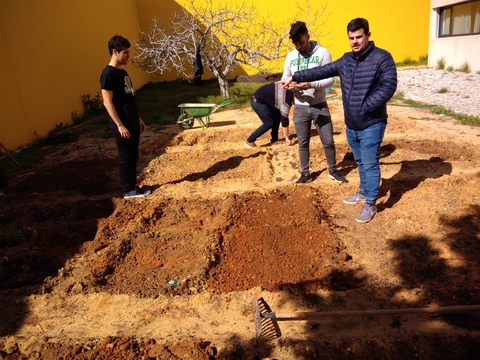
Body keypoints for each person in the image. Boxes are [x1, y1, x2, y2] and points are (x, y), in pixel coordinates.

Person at [280, 18, 397, 223]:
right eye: (351, 38)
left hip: (372, 122)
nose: (355, 41)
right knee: (360, 161)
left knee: (370, 164)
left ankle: (371, 203)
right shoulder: (346, 60)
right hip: (352, 123)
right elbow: (321, 71)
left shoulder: (382, 58)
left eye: (359, 37)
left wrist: (365, 107)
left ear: (368, 35)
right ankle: (363, 191)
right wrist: (295, 76)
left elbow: (388, 86)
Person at [282, 21, 345, 185]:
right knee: (303, 142)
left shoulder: (323, 53)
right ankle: (305, 173)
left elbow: (330, 80)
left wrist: (311, 84)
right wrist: (288, 85)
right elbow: (284, 78)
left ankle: (333, 170)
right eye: (295, 44)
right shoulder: (291, 57)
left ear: (308, 37)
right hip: (300, 107)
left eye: (301, 42)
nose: (299, 47)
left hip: (319, 105)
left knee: (328, 140)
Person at [100, 35, 151, 199]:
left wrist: (138, 118)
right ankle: (129, 190)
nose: (128, 56)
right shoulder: (108, 74)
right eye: (125, 52)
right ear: (115, 52)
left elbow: (129, 98)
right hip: (122, 124)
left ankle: (134, 187)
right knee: (125, 157)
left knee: (132, 155)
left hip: (132, 121)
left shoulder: (123, 72)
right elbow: (108, 102)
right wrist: (120, 125)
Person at [244, 82, 293, 148]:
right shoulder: (286, 101)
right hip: (258, 101)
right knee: (268, 123)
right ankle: (250, 140)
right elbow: (284, 121)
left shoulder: (289, 88)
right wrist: (287, 138)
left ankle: (274, 140)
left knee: (277, 116)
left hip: (265, 100)